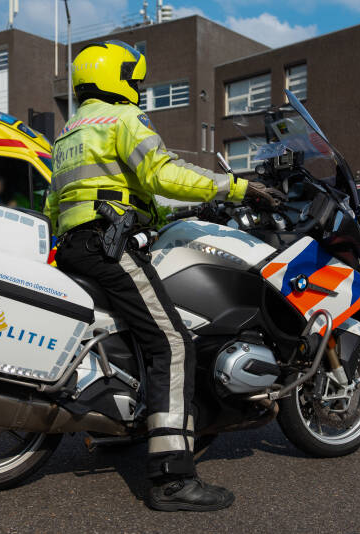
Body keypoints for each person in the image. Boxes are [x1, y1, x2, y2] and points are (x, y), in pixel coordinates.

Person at [44, 40, 278, 511]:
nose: (136, 87)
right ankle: (171, 477)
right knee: (172, 342)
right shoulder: (122, 120)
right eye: (132, 78)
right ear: (114, 77)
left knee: (140, 332)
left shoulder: (69, 132)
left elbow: (55, 203)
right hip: (107, 245)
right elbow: (162, 173)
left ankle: (136, 426)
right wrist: (236, 186)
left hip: (75, 245)